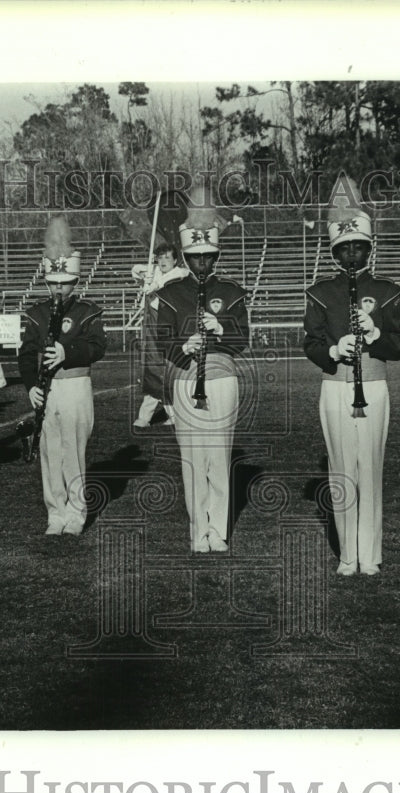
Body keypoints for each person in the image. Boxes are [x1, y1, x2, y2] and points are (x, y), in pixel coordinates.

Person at [303, 175, 400, 576]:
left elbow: (399, 347)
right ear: (334, 250)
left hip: (375, 386)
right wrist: (333, 350)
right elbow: (310, 343)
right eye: (344, 247)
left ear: (368, 248)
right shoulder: (319, 293)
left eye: (358, 246)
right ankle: (348, 554)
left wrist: (376, 334)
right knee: (341, 472)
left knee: (372, 470)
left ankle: (371, 553)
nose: (351, 253)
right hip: (334, 387)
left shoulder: (386, 291)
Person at [156, 201, 249, 553]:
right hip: (185, 380)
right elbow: (161, 341)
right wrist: (184, 344)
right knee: (194, 461)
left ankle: (218, 531)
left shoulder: (231, 291)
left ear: (217, 254)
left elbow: (244, 341)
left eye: (209, 256)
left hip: (222, 381)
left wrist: (221, 330)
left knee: (218, 458)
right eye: (195, 257)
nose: (203, 263)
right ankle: (198, 531)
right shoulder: (169, 293)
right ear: (184, 255)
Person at [18, 217, 107, 535]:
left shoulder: (86, 311)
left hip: (75, 387)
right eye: (53, 281)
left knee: (73, 452)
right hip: (46, 391)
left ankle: (76, 513)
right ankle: (55, 513)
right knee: (49, 452)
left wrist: (68, 353)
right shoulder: (37, 313)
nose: (58, 288)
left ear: (76, 280)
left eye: (65, 282)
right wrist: (31, 387)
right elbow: (26, 354)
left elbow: (98, 347)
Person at [132, 243, 187, 427]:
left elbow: (172, 279)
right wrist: (142, 274)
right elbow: (134, 269)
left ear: (175, 260)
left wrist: (153, 284)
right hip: (152, 326)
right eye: (160, 257)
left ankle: (158, 415)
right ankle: (155, 416)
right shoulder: (154, 270)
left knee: (167, 370)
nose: (163, 261)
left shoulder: (180, 274)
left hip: (171, 328)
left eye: (167, 258)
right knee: (153, 368)